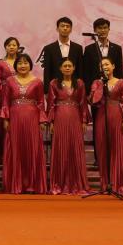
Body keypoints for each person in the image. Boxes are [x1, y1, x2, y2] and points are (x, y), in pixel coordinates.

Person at [0, 52, 48, 194]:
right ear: (16, 65)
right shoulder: (9, 81)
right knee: (16, 148)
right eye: (20, 63)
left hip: (32, 119)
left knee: (32, 148)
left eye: (25, 63)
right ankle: (16, 184)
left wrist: (42, 120)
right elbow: (5, 101)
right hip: (15, 118)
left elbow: (41, 103)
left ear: (30, 65)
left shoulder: (38, 82)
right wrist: (6, 119)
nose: (23, 65)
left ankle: (32, 184)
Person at [90, 55, 123, 196]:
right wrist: (99, 85)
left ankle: (119, 183)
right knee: (103, 149)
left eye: (107, 64)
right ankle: (106, 184)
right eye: (102, 65)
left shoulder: (121, 83)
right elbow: (93, 101)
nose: (105, 67)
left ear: (113, 66)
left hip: (116, 115)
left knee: (117, 148)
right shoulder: (97, 83)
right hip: (101, 117)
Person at [47, 57, 88, 195]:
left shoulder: (80, 83)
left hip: (75, 118)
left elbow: (83, 103)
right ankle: (59, 183)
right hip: (60, 118)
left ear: (74, 68)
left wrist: (84, 121)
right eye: (65, 66)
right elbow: (51, 104)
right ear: (60, 68)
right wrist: (51, 121)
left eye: (70, 65)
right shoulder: (54, 83)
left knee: (75, 148)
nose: (67, 68)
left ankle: (77, 183)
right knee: (61, 148)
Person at [0, 37, 21, 164]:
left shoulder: (22, 62)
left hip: (19, 96)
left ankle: (18, 154)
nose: (11, 47)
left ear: (18, 47)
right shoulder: (1, 64)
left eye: (14, 45)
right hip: (5, 96)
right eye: (9, 45)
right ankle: (4, 156)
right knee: (5, 125)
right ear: (5, 47)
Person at [41, 16, 83, 89]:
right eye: (62, 26)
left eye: (67, 26)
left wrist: (80, 87)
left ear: (71, 29)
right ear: (57, 29)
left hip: (73, 87)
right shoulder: (49, 48)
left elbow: (80, 69)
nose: (65, 28)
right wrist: (47, 90)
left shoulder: (78, 48)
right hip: (55, 87)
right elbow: (47, 71)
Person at [82, 17, 123, 83]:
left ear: (109, 29)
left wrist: (119, 85)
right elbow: (86, 72)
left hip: (112, 86)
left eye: (105, 28)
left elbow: (119, 70)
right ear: (95, 30)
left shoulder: (117, 48)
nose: (103, 30)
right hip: (95, 86)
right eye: (100, 28)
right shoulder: (89, 49)